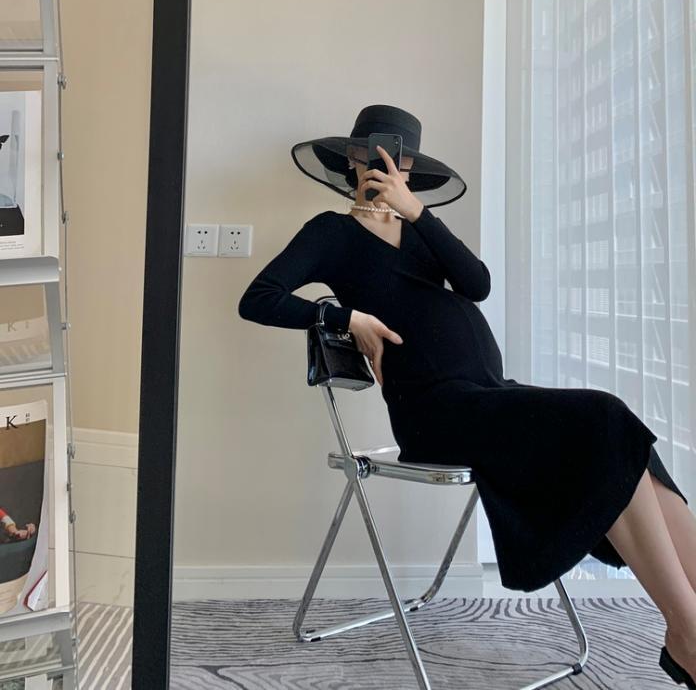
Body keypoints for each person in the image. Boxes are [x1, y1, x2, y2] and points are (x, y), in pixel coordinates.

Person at [240, 101, 696, 684]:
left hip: (490, 396)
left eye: (398, 158)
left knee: (623, 434)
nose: (383, 165)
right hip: (435, 411)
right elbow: (258, 298)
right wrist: (344, 316)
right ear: (351, 159)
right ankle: (687, 633)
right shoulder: (330, 232)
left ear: (410, 167)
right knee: (604, 417)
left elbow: (476, 284)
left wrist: (417, 212)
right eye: (370, 153)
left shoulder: (420, 228)